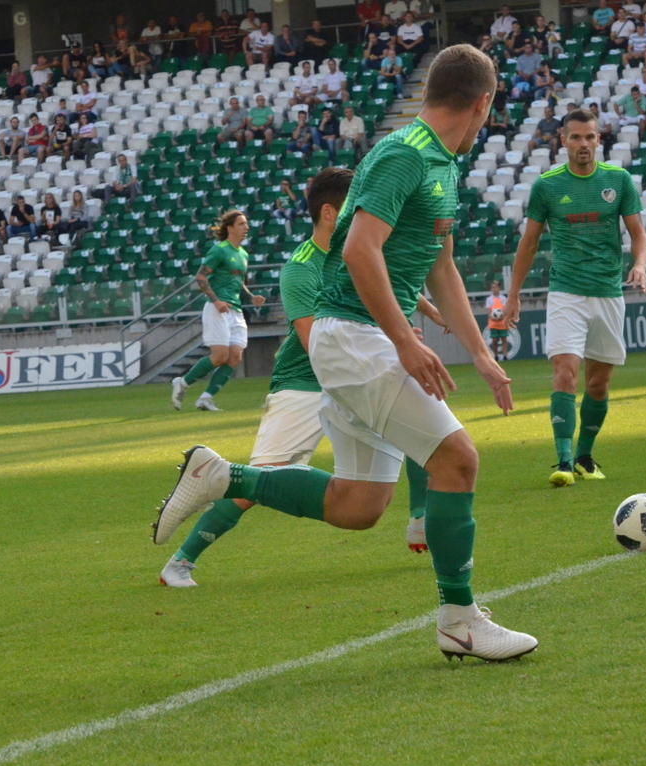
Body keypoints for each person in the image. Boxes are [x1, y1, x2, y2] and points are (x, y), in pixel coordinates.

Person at [154, 45, 537, 664]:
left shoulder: (441, 163)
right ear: (483, 103)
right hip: (357, 338)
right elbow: (360, 251)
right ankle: (460, 620)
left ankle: (224, 475)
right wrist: (409, 342)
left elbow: (441, 268)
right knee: (458, 461)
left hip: (361, 340)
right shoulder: (404, 154)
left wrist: (481, 353)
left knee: (358, 507)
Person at [160, 167, 444, 587]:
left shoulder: (362, 252)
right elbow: (317, 342)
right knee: (256, 485)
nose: (368, 214)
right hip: (305, 383)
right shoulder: (301, 268)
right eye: (357, 206)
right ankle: (180, 560)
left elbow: (393, 282)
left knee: (427, 416)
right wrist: (392, 337)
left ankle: (420, 518)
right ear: (329, 213)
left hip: (358, 374)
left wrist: (433, 313)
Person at [506, 108, 646, 486]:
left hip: (607, 292)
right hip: (566, 291)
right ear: (563, 141)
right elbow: (530, 242)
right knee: (565, 372)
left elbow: (638, 233)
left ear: (598, 139)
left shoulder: (618, 181)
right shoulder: (547, 185)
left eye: (589, 137)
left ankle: (585, 454)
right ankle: (564, 461)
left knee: (598, 384)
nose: (583, 144)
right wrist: (514, 295)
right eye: (575, 137)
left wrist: (641, 264)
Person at [170, 209, 266, 412]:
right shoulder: (219, 250)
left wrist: (251, 296)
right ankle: (182, 382)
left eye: (246, 224)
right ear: (230, 228)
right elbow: (200, 278)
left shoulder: (243, 253)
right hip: (218, 309)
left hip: (236, 310)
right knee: (220, 356)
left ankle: (205, 398)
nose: (246, 227)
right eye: (241, 224)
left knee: (235, 356)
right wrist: (216, 301)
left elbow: (238, 282)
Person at [484, 280, 509, 360]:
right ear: (491, 289)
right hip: (493, 323)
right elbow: (488, 311)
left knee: (504, 339)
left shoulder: (503, 298)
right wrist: (493, 317)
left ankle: (505, 355)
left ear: (499, 288)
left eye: (496, 287)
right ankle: (496, 355)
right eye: (493, 287)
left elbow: (505, 310)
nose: (495, 289)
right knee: (494, 340)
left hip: (502, 322)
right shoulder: (489, 299)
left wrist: (501, 317)